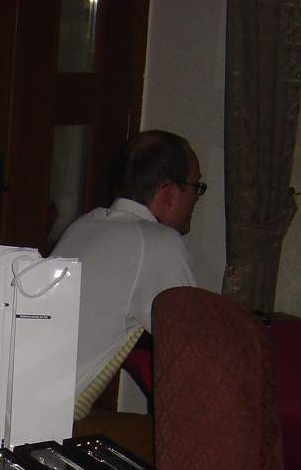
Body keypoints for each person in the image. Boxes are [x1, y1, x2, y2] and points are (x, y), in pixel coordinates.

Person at [53, 130, 202, 417]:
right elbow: (194, 352)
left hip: (23, 399)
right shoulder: (158, 242)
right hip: (50, 421)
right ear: (169, 192)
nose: (196, 199)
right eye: (196, 187)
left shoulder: (85, 224)